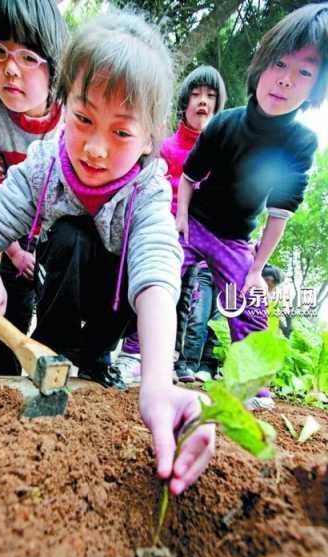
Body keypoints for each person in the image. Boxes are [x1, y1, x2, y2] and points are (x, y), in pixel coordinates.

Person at [0, 12, 216, 496]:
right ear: (64, 105)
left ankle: (97, 356)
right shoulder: (45, 164)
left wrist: (158, 382)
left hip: (114, 305)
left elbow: (158, 272)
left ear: (149, 136)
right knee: (72, 235)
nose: (96, 149)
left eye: (121, 132)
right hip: (59, 284)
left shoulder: (148, 190)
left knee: (130, 271)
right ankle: (52, 351)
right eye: (83, 120)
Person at [176, 3, 328, 410]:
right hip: (194, 222)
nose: (285, 80)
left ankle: (248, 384)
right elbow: (188, 178)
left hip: (237, 238)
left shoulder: (301, 143)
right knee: (159, 270)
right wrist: (179, 221)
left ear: (317, 87)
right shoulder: (224, 123)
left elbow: (280, 212)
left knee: (253, 300)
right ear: (262, 63)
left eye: (305, 72)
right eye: (279, 63)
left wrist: (257, 270)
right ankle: (136, 354)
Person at [0, 0, 68, 375]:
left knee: (56, 311)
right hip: (6, 230)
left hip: (55, 231)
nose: (9, 69)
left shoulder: (74, 119)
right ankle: (0, 382)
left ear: (53, 63)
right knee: (13, 307)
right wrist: (16, 253)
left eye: (27, 57)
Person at [114, 65, 227, 385]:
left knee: (188, 300)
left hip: (199, 237)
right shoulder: (164, 145)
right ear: (185, 101)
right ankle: (132, 353)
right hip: (159, 231)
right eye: (196, 94)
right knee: (151, 288)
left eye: (210, 96)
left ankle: (172, 361)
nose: (202, 101)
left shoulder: (221, 152)